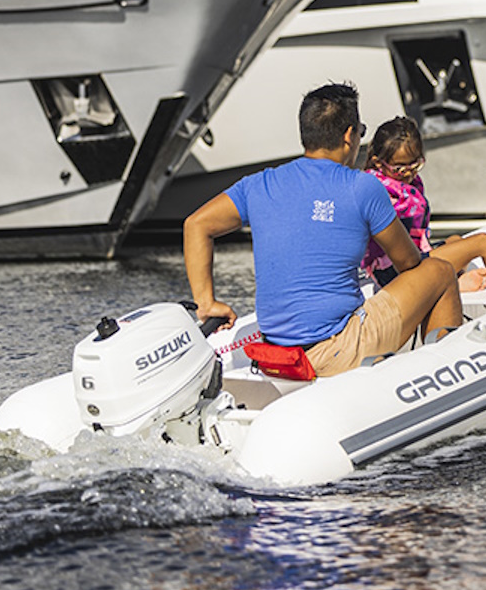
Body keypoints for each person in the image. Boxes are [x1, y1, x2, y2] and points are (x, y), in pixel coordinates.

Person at [183, 83, 460, 377]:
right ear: (349, 135)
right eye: (361, 131)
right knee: (440, 272)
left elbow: (196, 224)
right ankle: (446, 376)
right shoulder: (362, 187)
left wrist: (206, 303)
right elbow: (409, 263)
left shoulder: (259, 184)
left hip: (276, 350)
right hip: (336, 348)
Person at [361, 116, 486, 292]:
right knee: (483, 242)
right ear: (378, 163)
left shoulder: (405, 185)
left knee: (455, 240)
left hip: (410, 260)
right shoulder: (378, 193)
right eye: (400, 169)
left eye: (415, 165)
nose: (408, 174)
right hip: (394, 272)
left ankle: (454, 284)